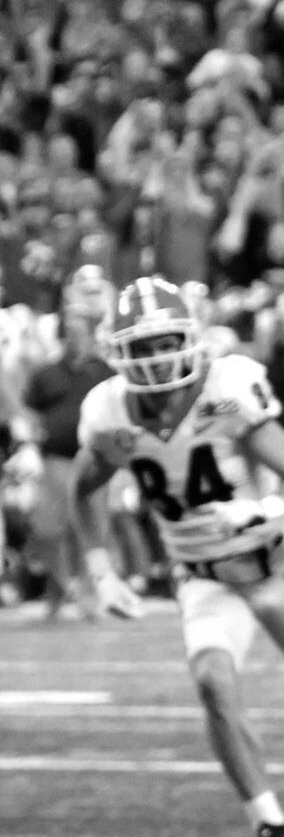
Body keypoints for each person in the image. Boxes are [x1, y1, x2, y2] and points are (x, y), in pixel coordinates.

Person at [69, 277, 284, 837]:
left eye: (165, 341)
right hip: (202, 576)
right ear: (118, 352)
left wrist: (263, 508)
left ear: (191, 338)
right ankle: (270, 825)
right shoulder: (108, 412)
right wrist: (100, 568)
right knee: (213, 683)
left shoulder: (227, 389)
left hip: (272, 561)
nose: (156, 357)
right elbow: (82, 488)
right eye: (140, 347)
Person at [19, 265, 116, 618]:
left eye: (80, 331)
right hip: (55, 459)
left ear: (90, 336)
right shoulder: (46, 373)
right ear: (62, 335)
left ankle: (89, 598)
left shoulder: (103, 370)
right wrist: (29, 441)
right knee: (48, 529)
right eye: (70, 332)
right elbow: (29, 412)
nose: (75, 337)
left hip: (94, 458)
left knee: (90, 531)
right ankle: (59, 591)